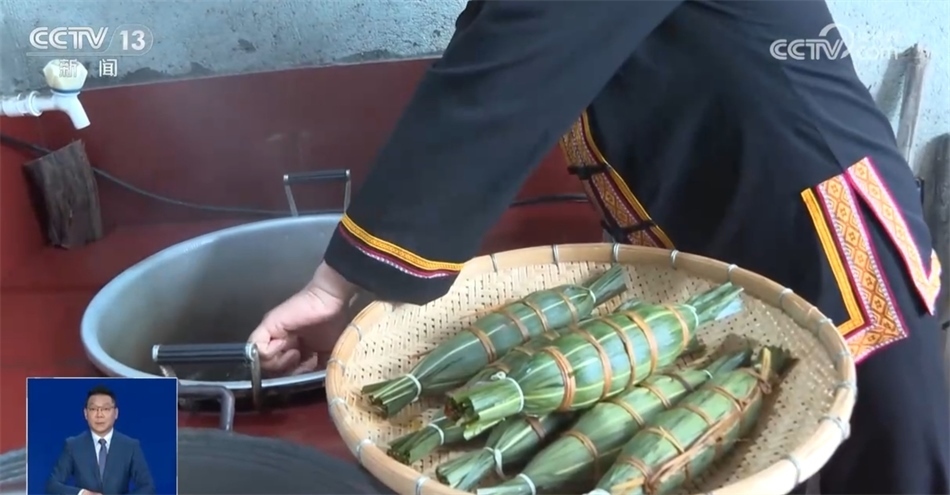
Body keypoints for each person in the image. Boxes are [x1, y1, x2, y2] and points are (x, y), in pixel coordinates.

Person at [247, 1, 948, 493]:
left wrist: (337, 282)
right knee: (742, 451)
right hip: (704, 237)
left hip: (818, 230)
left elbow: (509, 70)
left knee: (892, 466)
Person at [46, 385, 155, 495]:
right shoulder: (73, 445)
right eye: (93, 409)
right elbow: (52, 485)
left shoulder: (130, 446)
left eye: (106, 409)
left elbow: (148, 487)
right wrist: (82, 493)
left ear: (116, 413)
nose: (99, 415)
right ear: (85, 413)